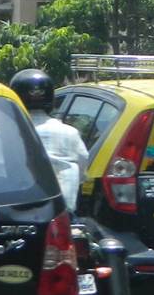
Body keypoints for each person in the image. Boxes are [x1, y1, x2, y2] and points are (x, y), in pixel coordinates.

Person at [6, 69, 91, 210]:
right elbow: (83, 165)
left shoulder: (3, 133)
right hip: (62, 213)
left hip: (17, 213)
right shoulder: (71, 133)